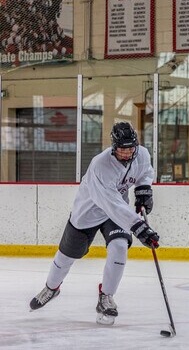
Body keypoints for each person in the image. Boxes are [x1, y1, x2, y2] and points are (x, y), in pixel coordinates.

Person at [29, 122, 160, 326]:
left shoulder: (142, 154)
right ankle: (51, 288)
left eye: (130, 149)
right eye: (122, 150)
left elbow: (145, 172)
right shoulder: (100, 164)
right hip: (88, 213)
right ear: (113, 147)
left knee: (119, 247)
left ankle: (106, 297)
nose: (126, 154)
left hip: (117, 213)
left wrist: (144, 190)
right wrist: (138, 226)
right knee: (67, 255)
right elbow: (111, 203)